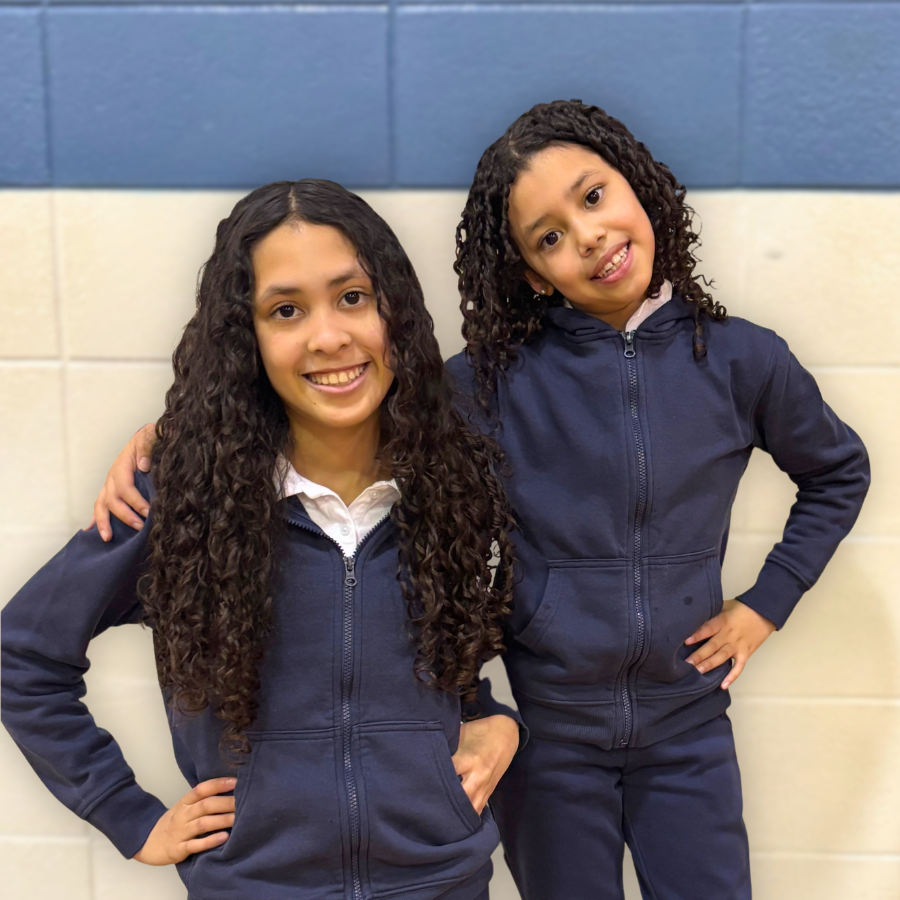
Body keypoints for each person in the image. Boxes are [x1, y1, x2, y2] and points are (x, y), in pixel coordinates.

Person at [89, 101, 871, 899]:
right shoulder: (487, 385)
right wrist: (174, 431)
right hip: (548, 739)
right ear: (534, 274)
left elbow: (838, 472)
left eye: (593, 197)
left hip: (690, 728)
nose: (588, 237)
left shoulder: (743, 362)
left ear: (638, 188)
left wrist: (766, 602)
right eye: (550, 238)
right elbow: (336, 401)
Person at [2, 179, 521, 900]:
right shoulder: (183, 504)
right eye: (285, 310)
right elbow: (21, 654)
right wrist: (128, 815)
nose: (329, 336)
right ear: (246, 337)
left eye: (353, 297)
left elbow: (443, 674)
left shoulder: (454, 486)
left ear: (394, 308)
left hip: (439, 884)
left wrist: (493, 720)